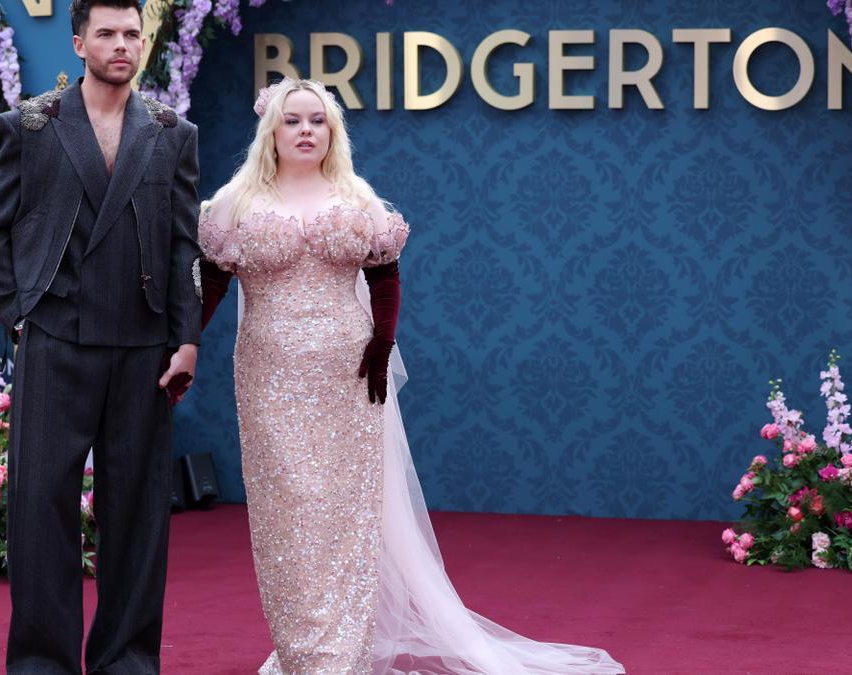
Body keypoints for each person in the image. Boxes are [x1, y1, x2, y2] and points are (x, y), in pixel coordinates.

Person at [198, 78, 623, 674]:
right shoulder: (232, 205)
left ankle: (339, 656)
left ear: (332, 131)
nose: (305, 132)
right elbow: (211, 286)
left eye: (317, 121)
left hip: (350, 374)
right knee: (287, 514)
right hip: (269, 377)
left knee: (346, 511)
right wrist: (182, 348)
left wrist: (382, 341)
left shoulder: (358, 198)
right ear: (271, 130)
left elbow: (385, 277)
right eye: (292, 121)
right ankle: (301, 650)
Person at [0, 0, 201, 671]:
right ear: (79, 43)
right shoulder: (32, 125)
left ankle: (127, 660)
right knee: (41, 511)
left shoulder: (171, 132)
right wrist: (21, 315)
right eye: (107, 33)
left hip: (142, 348)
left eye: (133, 33)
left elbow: (186, 243)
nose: (122, 44)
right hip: (55, 340)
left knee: (136, 518)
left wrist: (186, 338)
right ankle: (42, 662)